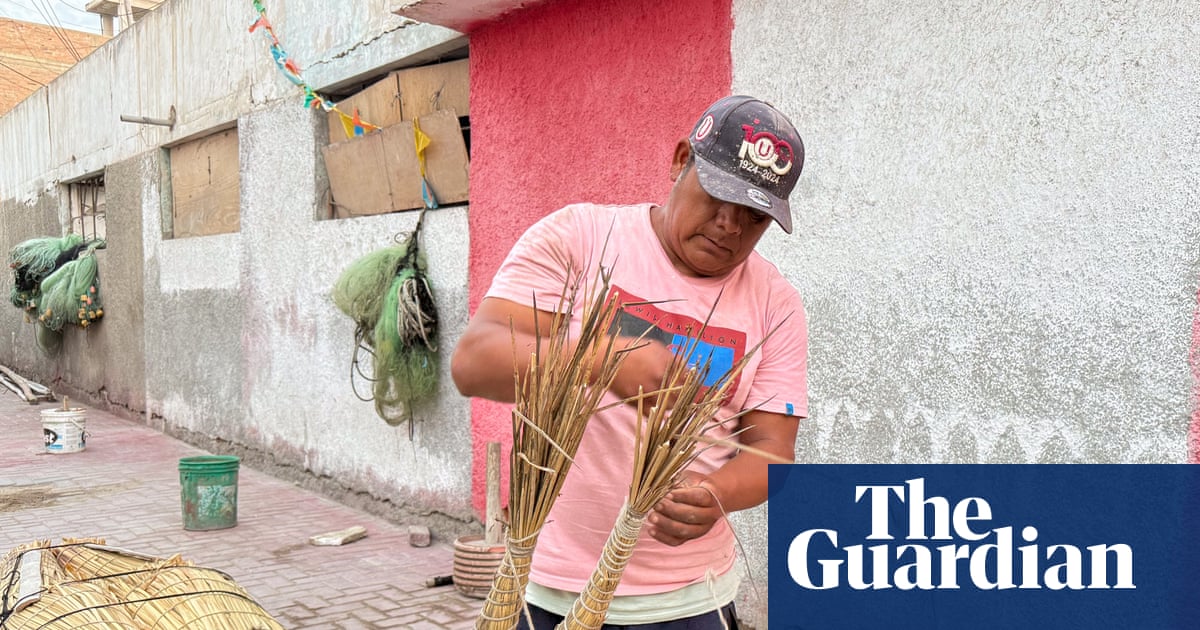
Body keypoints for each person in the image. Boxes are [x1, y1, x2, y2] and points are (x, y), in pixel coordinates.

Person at [451, 95, 809, 629]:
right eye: (717, 196)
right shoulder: (579, 239)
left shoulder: (776, 304)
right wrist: (600, 359)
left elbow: (773, 453)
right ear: (680, 161)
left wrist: (717, 494)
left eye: (754, 216)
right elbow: (474, 363)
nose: (729, 226)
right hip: (545, 588)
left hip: (688, 600)